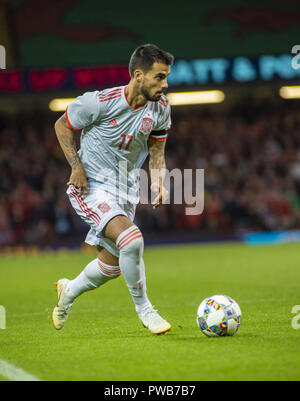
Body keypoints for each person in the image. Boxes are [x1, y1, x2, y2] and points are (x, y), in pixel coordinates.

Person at [52, 44, 174, 334]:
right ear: (138, 75)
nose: (165, 84)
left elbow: (157, 153)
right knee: (131, 240)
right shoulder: (99, 102)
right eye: (159, 77)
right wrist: (76, 166)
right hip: (90, 186)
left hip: (126, 191)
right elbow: (62, 125)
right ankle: (146, 310)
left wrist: (159, 180)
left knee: (111, 267)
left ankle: (67, 292)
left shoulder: (161, 109)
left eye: (166, 76)